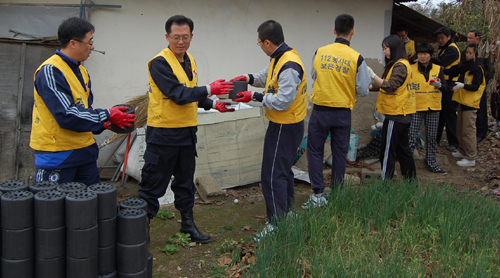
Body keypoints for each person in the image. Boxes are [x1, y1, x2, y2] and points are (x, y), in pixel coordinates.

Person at [138, 15, 234, 244]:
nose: (181, 41)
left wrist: (213, 104)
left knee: (185, 183)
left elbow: (191, 93)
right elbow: (178, 94)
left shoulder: (189, 60)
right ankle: (139, 230)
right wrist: (210, 89)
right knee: (153, 184)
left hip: (186, 134)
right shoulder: (159, 63)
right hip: (163, 133)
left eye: (185, 37)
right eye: (176, 37)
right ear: (167, 37)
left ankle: (188, 225)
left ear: (191, 36)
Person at [31, 17, 135, 186]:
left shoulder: (81, 71)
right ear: (73, 43)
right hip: (58, 157)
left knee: (88, 207)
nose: (92, 47)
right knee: (55, 210)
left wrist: (104, 124)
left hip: (84, 153)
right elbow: (67, 115)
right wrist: (107, 114)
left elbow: (83, 110)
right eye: (90, 41)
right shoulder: (50, 71)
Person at [230, 20, 307, 239]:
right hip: (283, 123)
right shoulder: (280, 57)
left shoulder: (290, 65)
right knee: (283, 171)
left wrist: (253, 96)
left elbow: (283, 100)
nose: (260, 46)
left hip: (286, 125)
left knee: (272, 175)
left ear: (267, 42)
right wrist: (247, 78)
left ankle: (276, 224)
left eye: (259, 43)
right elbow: (267, 77)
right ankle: (287, 213)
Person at [302, 14, 371, 209]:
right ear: (353, 32)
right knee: (340, 153)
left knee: (315, 151)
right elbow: (364, 89)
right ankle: (337, 193)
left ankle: (317, 194)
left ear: (334, 30)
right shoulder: (357, 58)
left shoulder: (319, 52)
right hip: (342, 113)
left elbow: (315, 75)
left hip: (320, 111)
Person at [369, 35, 417, 181]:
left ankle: (386, 183)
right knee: (403, 150)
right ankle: (410, 181)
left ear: (395, 47)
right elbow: (385, 84)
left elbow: (390, 86)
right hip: (403, 113)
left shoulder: (400, 66)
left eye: (386, 48)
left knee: (387, 151)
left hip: (396, 114)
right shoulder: (399, 64)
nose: (384, 51)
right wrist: (368, 87)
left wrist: (372, 74)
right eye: (383, 48)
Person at [444, 43, 486, 167]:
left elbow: (476, 86)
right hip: (462, 101)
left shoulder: (477, 68)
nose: (468, 55)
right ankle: (462, 151)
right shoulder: (464, 66)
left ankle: (471, 156)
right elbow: (454, 70)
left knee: (468, 130)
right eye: (467, 52)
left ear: (475, 54)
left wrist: (463, 86)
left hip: (471, 103)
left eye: (470, 53)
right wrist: (441, 69)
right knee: (460, 128)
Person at [408, 43, 447, 174]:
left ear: (430, 55)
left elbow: (445, 87)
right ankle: (407, 165)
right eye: (420, 54)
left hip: (433, 107)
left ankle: (432, 163)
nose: (423, 57)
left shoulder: (438, 69)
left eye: (425, 54)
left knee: (431, 137)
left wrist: (439, 85)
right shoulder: (411, 69)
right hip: (416, 107)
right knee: (411, 136)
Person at [463, 30, 495, 142]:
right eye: (468, 37)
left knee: (480, 109)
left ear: (478, 39)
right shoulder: (466, 52)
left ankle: (481, 132)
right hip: (467, 86)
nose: (468, 40)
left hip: (479, 86)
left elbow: (490, 70)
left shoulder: (485, 53)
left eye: (470, 37)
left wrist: (480, 77)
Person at [432, 27, 461, 151]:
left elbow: (440, 62)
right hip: (443, 83)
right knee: (441, 113)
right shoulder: (444, 49)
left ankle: (454, 142)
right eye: (438, 38)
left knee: (449, 113)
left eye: (442, 38)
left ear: (449, 37)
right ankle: (436, 139)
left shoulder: (452, 49)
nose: (440, 40)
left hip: (450, 84)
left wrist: (428, 58)